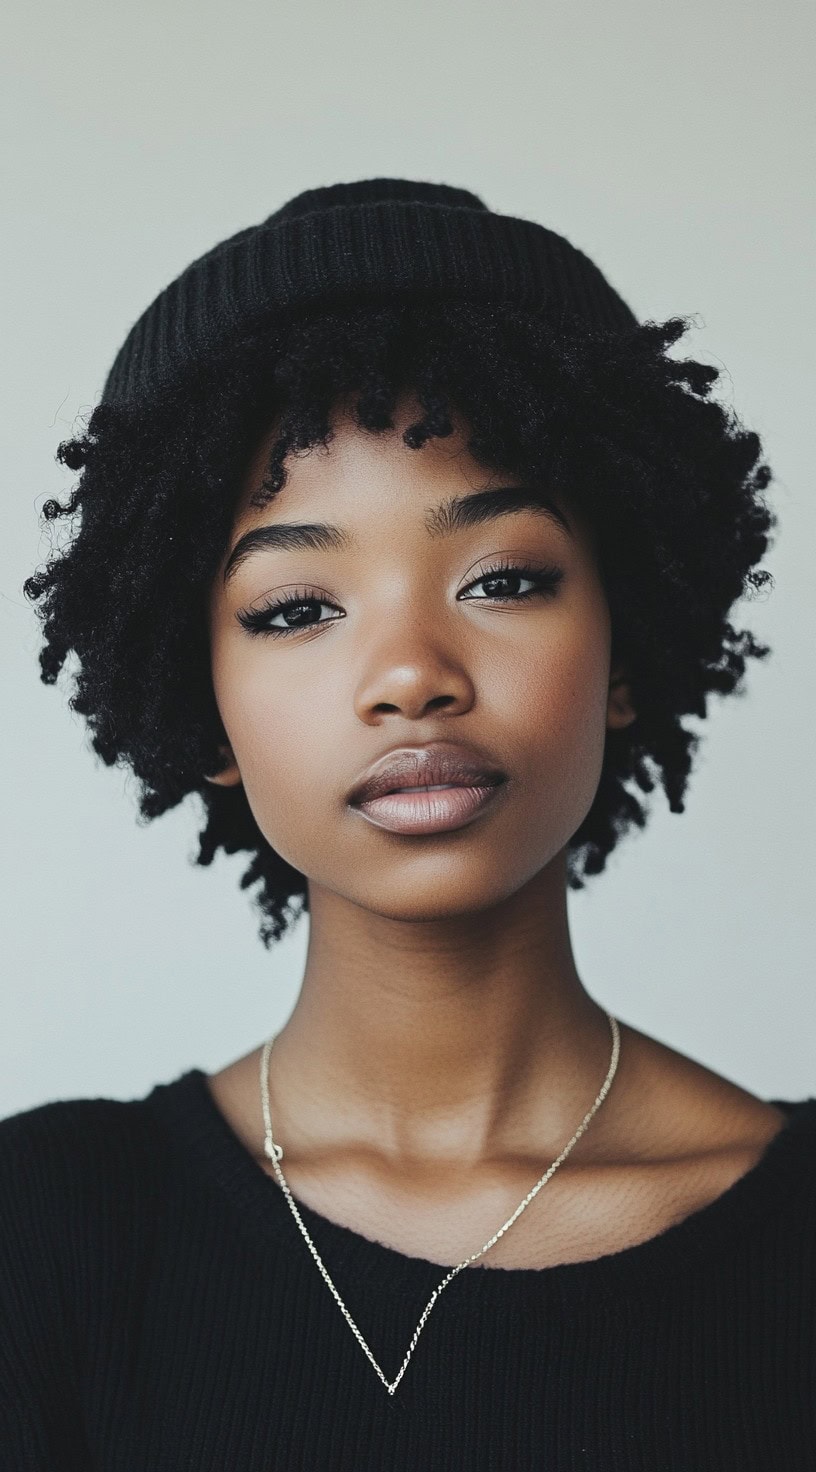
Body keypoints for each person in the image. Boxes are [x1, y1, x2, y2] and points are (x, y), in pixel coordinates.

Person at [4, 177, 814, 1468]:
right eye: (295, 607)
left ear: (622, 649)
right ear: (201, 706)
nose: (411, 671)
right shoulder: (48, 1239)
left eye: (504, 578)